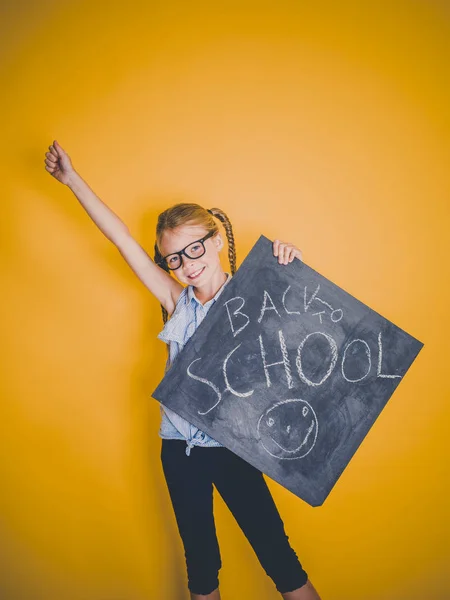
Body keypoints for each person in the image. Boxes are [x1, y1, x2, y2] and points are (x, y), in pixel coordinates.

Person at [44, 140, 322, 600]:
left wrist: (289, 261)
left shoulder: (256, 295)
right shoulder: (175, 302)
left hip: (236, 445)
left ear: (215, 242)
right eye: (173, 259)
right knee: (201, 563)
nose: (185, 266)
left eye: (194, 251)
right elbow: (121, 240)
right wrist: (72, 180)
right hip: (180, 449)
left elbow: (310, 337)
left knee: (277, 555)